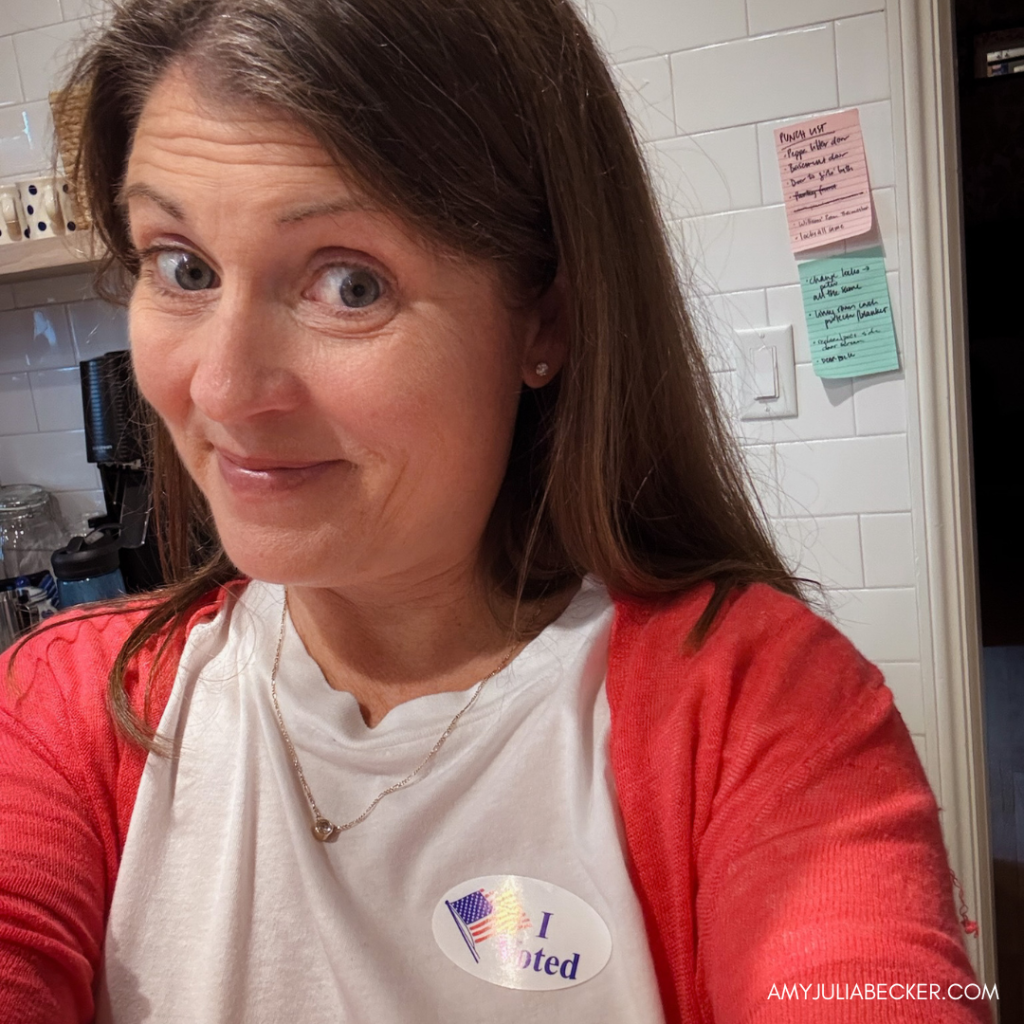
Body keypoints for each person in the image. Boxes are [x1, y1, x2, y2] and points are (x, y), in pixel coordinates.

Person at [0, 0, 991, 1021]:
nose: (221, 391)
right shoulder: (67, 712)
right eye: (184, 268)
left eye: (349, 284)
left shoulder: (757, 715)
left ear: (544, 320)